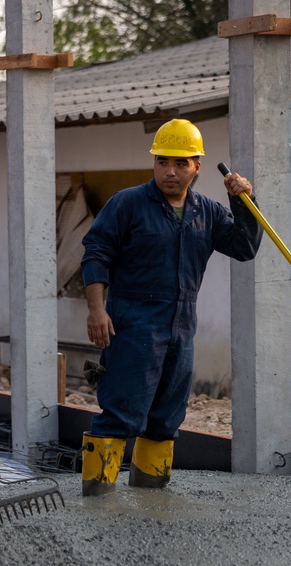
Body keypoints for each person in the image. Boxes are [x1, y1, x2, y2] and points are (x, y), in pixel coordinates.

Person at [79, 118, 261, 496]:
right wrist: (97, 310)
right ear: (154, 163)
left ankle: (151, 500)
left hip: (181, 327)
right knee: (119, 415)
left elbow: (244, 248)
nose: (170, 171)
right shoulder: (128, 204)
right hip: (132, 327)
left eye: (180, 163)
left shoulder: (207, 211)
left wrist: (243, 202)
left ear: (197, 166)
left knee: (165, 419)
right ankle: (95, 506)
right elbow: (95, 254)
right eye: (163, 162)